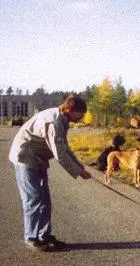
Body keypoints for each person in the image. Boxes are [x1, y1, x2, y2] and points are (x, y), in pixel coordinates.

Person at [9, 96, 92, 251]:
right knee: (33, 200)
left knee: (45, 200)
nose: (81, 117)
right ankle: (32, 238)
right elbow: (60, 155)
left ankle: (43, 235)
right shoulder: (53, 122)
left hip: (38, 159)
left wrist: (81, 167)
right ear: (69, 110)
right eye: (80, 113)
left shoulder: (62, 119)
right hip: (25, 158)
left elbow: (65, 147)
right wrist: (79, 172)